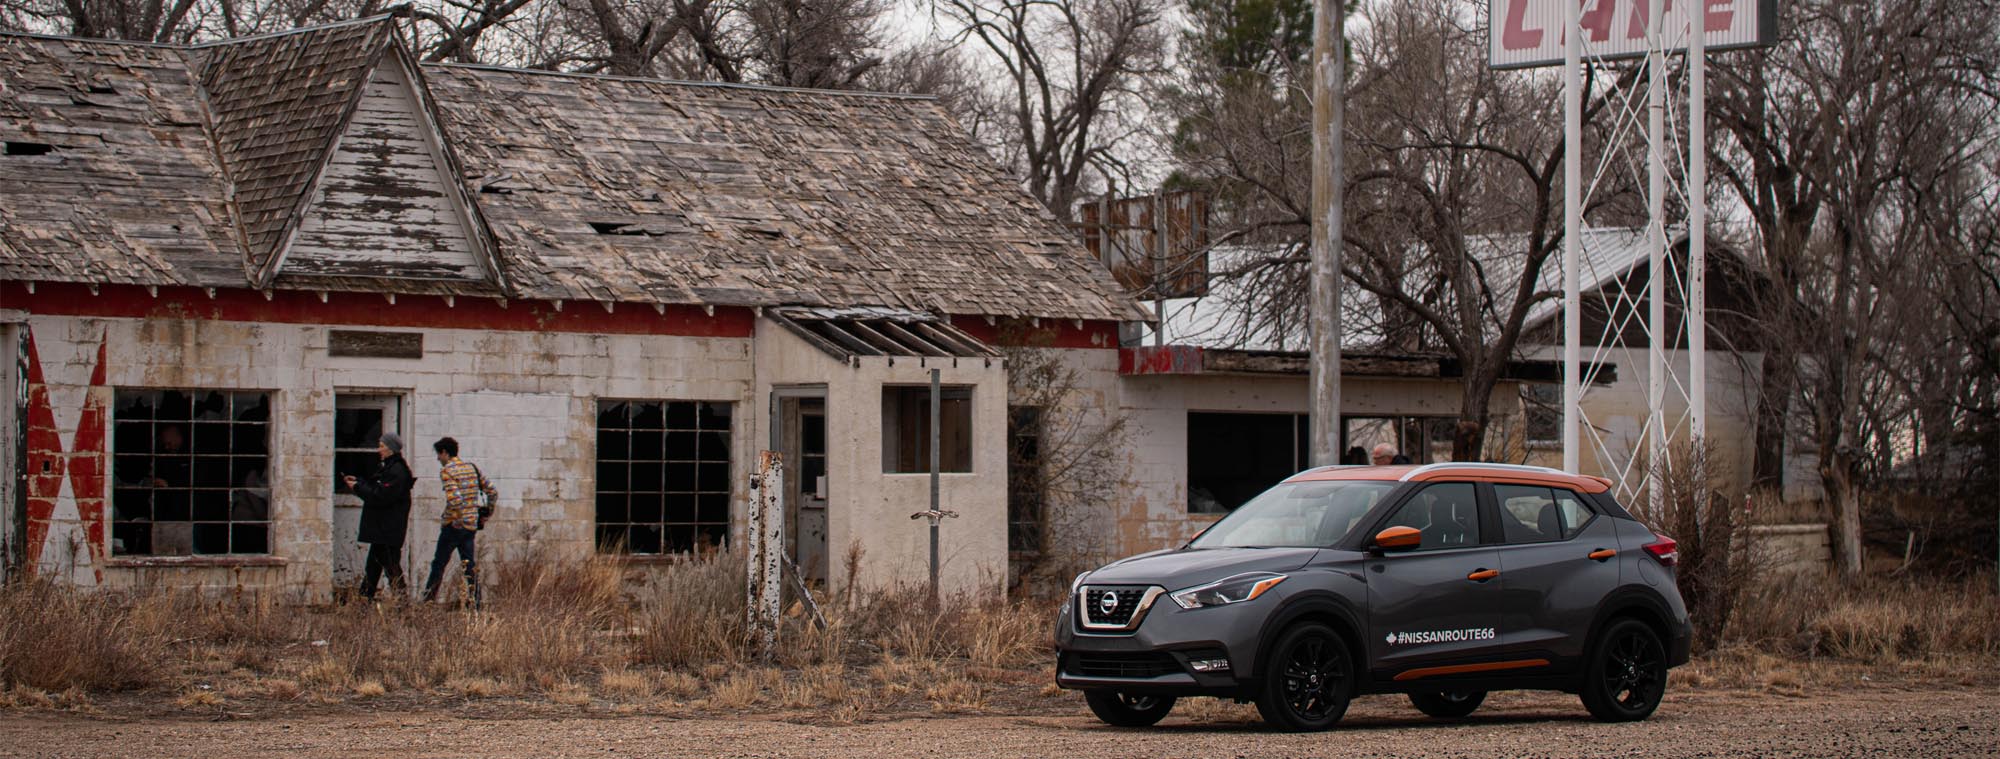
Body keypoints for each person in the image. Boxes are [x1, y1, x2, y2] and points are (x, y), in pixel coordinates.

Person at [424, 436, 496, 606]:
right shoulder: (472, 468)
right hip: (471, 524)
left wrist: (451, 518)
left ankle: (428, 601)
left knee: (439, 564)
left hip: (454, 525)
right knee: (469, 565)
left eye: (439, 455)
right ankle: (476, 601)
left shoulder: (447, 471)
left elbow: (455, 500)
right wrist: (486, 514)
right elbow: (492, 491)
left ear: (445, 453)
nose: (438, 459)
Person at [344, 433, 413, 600]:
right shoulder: (389, 467)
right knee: (374, 567)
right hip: (382, 529)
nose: (379, 449)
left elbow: (381, 495)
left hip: (387, 529)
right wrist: (359, 482)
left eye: (382, 446)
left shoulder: (397, 471)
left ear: (391, 449)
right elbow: (376, 486)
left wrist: (358, 488)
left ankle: (401, 602)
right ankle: (364, 600)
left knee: (391, 567)